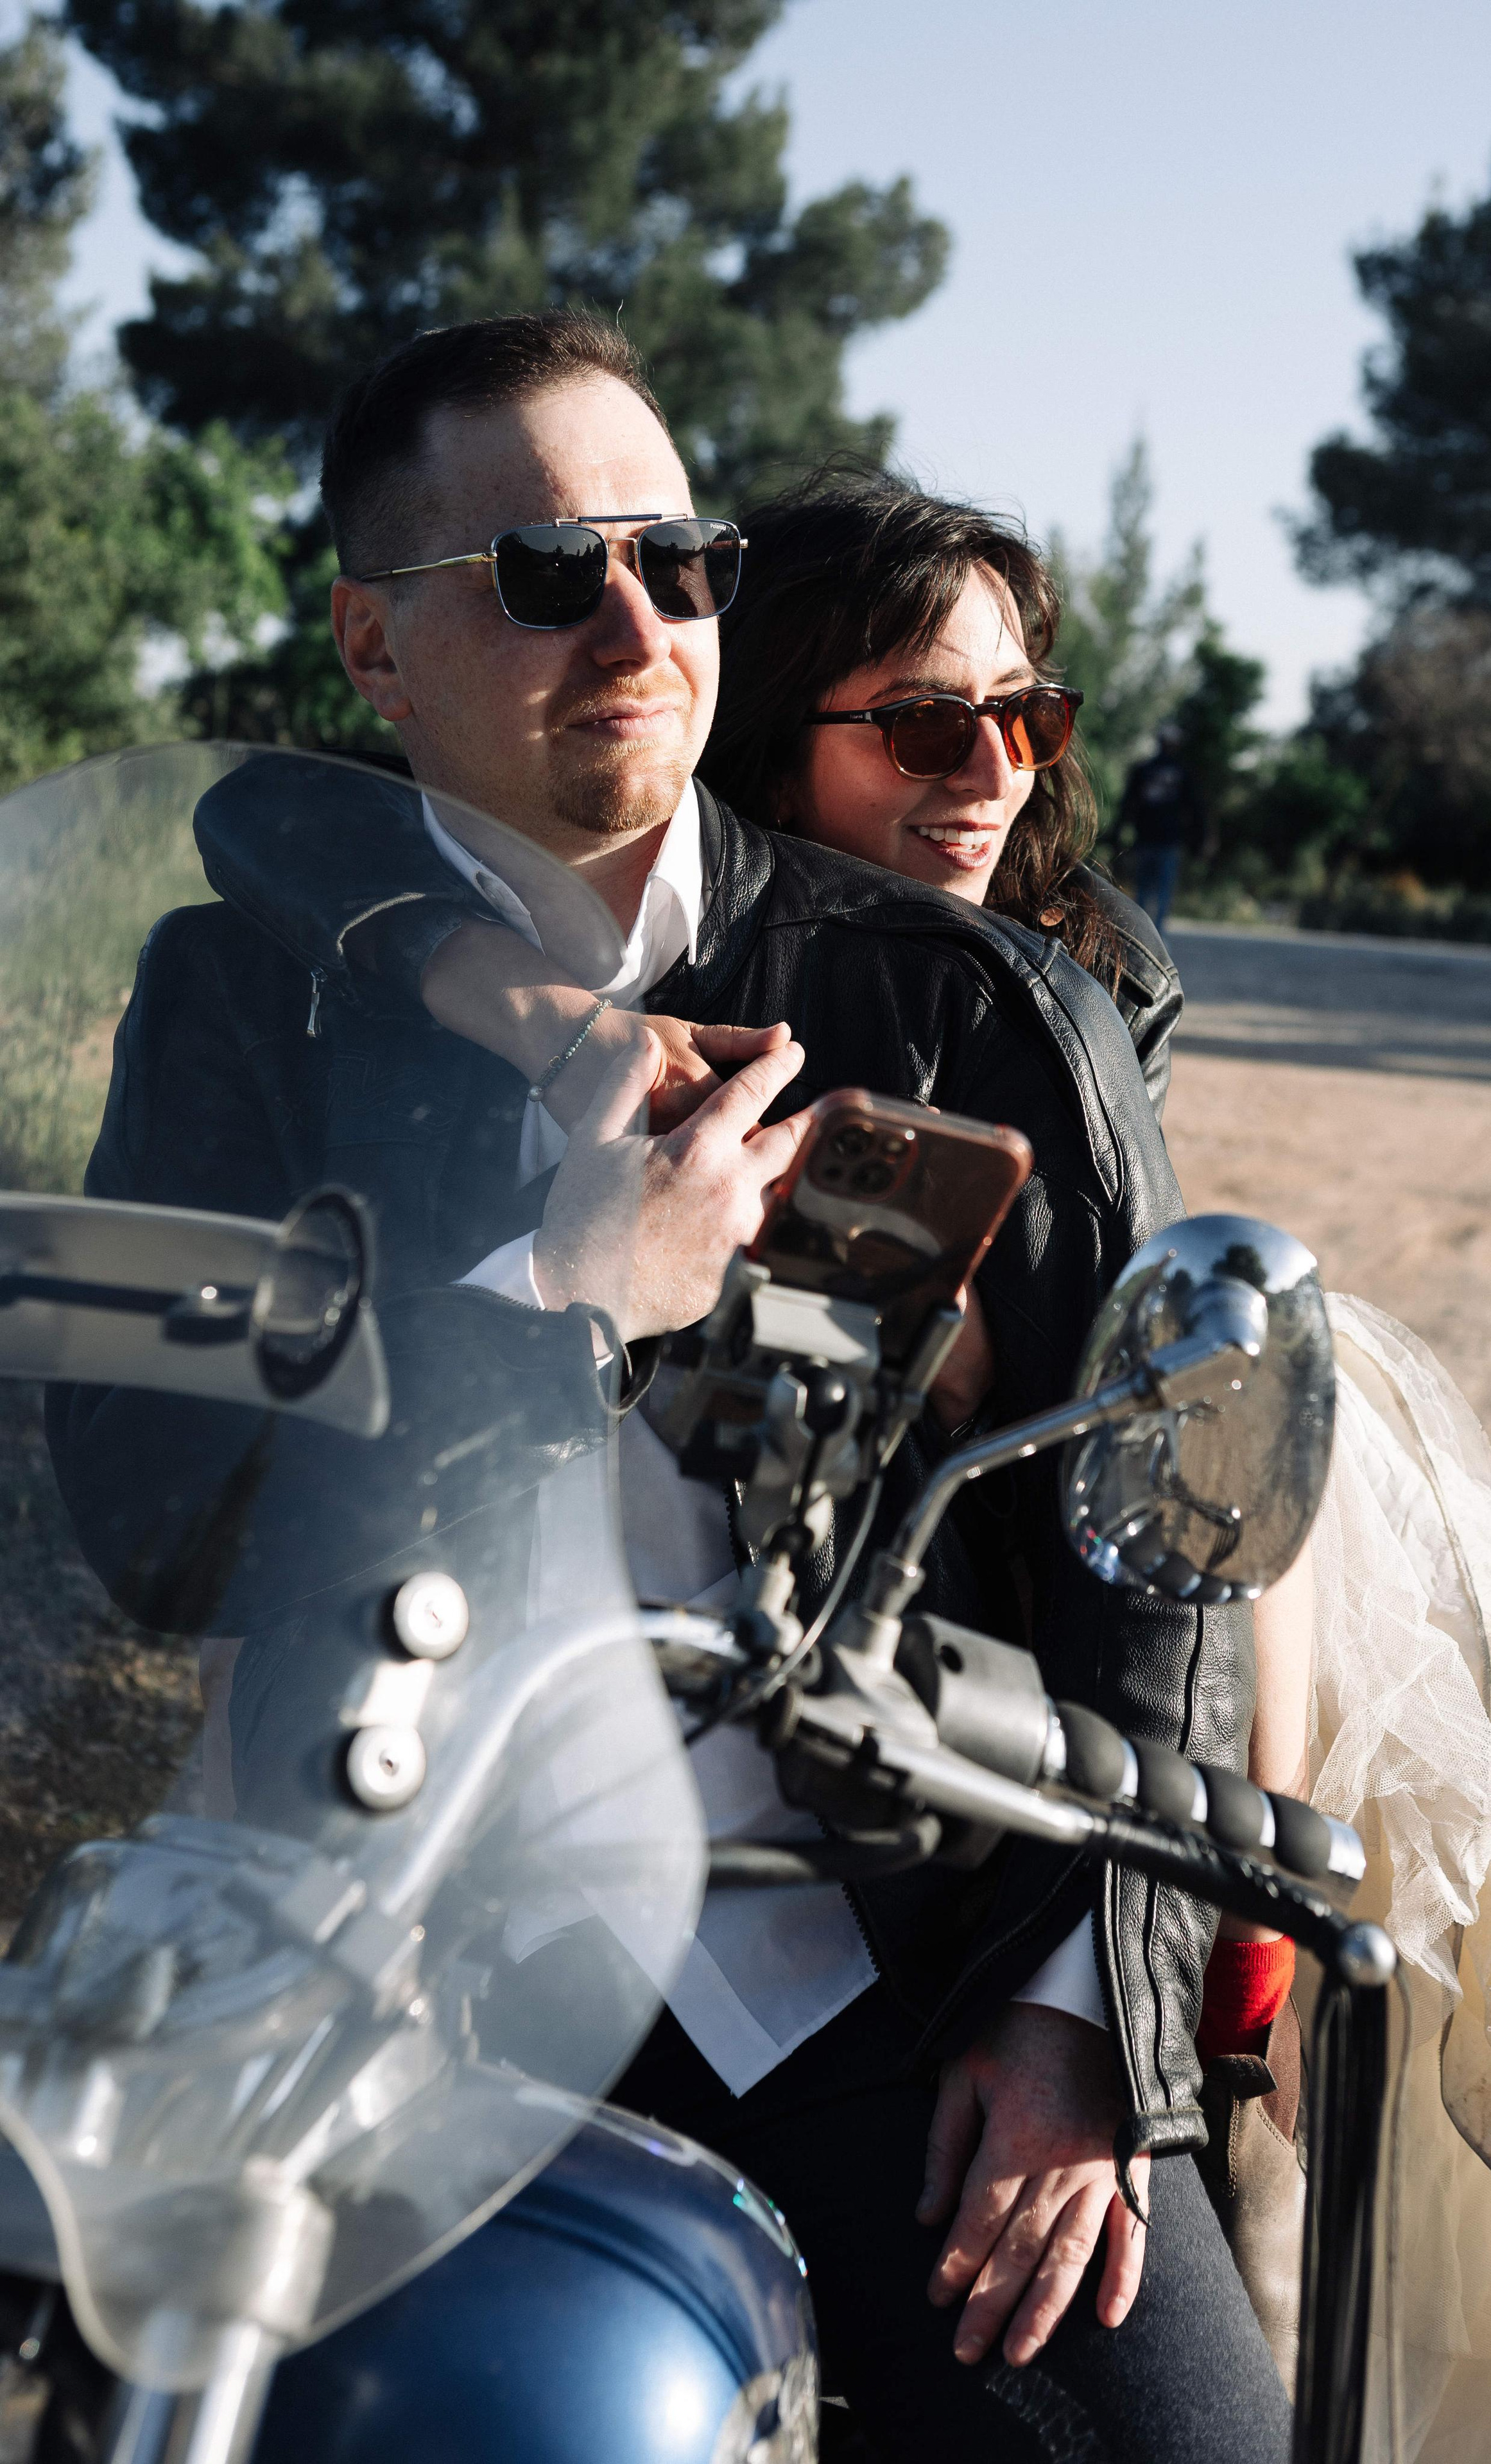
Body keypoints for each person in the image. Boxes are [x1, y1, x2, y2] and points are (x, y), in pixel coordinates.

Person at [247, 453, 1491, 2458]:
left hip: (954, 1856)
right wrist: (540, 1020)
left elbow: (1165, 1582)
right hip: (499, 1886)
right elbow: (270, 835)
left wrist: (1095, 2008)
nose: (984, 766)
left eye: (1024, 715)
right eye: (917, 719)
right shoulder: (603, 971)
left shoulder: (1051, 1002)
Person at [50, 312, 1290, 2463]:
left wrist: (1079, 2011)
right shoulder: (245, 997)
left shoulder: (969, 1004)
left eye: (677, 559)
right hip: (394, 1958)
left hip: (893, 1967)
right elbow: (157, 1529)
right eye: (546, 576)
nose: (632, 620)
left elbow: (1151, 1549)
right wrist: (558, 1290)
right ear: (374, 645)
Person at [1118, 723, 1205, 931]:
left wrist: (1119, 833)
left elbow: (1128, 805)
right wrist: (1201, 837)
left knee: (1143, 891)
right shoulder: (1182, 772)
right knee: (1162, 892)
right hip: (1167, 840)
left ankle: (1141, 935)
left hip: (1147, 838)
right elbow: (1195, 807)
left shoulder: (1144, 770)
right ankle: (1157, 937)